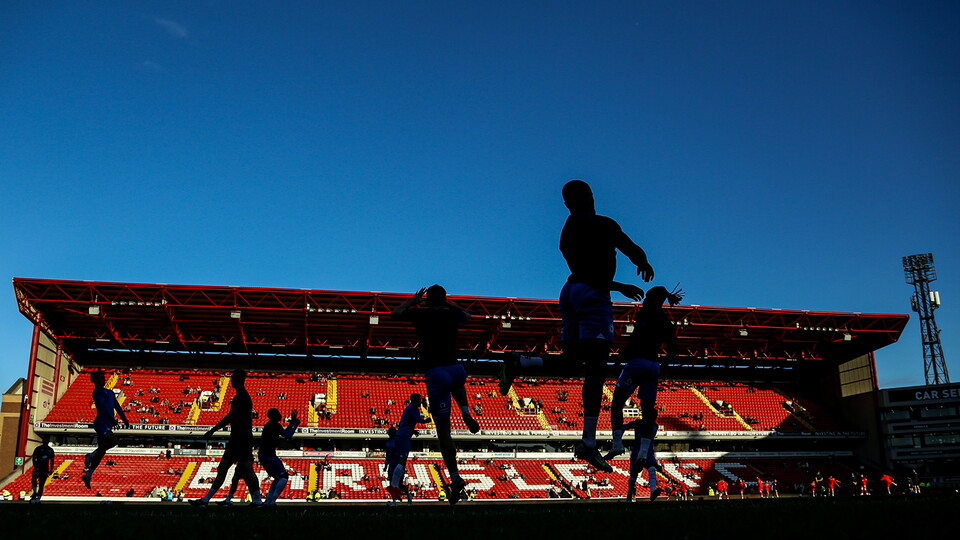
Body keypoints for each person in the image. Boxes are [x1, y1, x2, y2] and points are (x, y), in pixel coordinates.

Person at [499, 180, 653, 472]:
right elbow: (630, 249)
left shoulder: (566, 234)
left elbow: (582, 268)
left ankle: (520, 362)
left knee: (572, 364)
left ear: (567, 204)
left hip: (569, 293)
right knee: (596, 370)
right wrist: (639, 265)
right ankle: (588, 442)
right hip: (594, 295)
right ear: (590, 197)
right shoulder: (603, 223)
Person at [392, 285, 478, 505]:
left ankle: (456, 477)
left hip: (436, 372)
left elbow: (395, 313)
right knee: (457, 382)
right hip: (456, 368)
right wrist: (446, 303)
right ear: (444, 298)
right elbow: (467, 315)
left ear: (426, 299)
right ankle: (466, 411)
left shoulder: (421, 313)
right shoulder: (451, 314)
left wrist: (414, 301)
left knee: (444, 433)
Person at [606, 286, 682, 461]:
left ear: (653, 298)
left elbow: (635, 340)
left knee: (617, 402)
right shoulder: (665, 320)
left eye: (648, 297)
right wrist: (665, 362)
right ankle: (644, 451)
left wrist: (620, 358)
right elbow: (673, 346)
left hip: (637, 362)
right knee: (647, 410)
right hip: (654, 365)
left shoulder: (644, 314)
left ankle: (617, 443)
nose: (645, 300)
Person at [190, 369, 263, 506]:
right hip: (238, 438)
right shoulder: (242, 396)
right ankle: (205, 500)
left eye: (232, 378)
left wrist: (213, 430)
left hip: (241, 438)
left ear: (237, 380)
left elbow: (231, 416)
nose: (230, 380)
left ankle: (257, 500)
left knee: (245, 469)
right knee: (224, 468)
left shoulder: (241, 396)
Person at [82, 370, 130, 489]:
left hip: (107, 423)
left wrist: (124, 419)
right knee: (113, 441)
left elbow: (117, 406)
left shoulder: (109, 392)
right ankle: (90, 456)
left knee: (102, 451)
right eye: (101, 378)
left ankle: (89, 474)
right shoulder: (97, 392)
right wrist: (112, 418)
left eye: (104, 377)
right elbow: (103, 407)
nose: (103, 379)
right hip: (101, 423)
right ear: (95, 380)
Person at [385, 395, 429, 505]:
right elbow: (419, 420)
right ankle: (394, 487)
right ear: (416, 400)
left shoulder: (409, 408)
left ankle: (394, 488)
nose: (420, 402)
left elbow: (407, 422)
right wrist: (430, 417)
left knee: (401, 460)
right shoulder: (413, 408)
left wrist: (412, 431)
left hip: (403, 435)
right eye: (419, 400)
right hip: (404, 438)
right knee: (402, 460)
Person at [258, 408, 300, 506]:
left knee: (278, 477)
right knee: (284, 477)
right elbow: (288, 435)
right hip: (269, 455)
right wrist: (296, 424)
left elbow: (284, 432)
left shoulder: (270, 425)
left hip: (263, 455)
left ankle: (268, 501)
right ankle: (271, 501)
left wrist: (292, 423)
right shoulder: (275, 425)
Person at [621, 419, 663, 502]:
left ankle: (652, 492)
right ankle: (630, 495)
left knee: (651, 470)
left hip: (643, 452)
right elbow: (624, 427)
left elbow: (624, 427)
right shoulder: (652, 425)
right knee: (635, 476)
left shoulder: (646, 424)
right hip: (644, 452)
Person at [30, 438, 56, 503]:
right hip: (38, 467)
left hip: (45, 468)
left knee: (42, 484)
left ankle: (38, 497)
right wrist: (35, 466)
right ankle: (34, 491)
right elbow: (34, 457)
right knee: (34, 479)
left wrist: (51, 469)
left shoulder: (50, 450)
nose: (46, 441)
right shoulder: (38, 448)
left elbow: (52, 460)